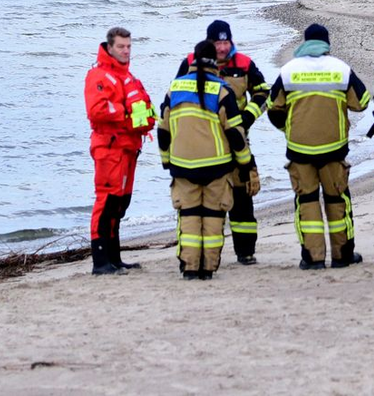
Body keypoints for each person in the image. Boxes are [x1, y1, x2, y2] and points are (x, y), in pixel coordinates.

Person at [268, 23, 370, 269]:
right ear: (327, 44)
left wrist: (288, 129)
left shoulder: (289, 70)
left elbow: (272, 108)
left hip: (299, 149)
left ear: (305, 42)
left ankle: (313, 259)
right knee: (337, 201)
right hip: (334, 148)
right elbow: (362, 102)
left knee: (307, 203)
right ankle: (342, 256)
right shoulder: (341, 69)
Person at [174, 19, 270, 265]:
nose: (222, 48)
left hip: (237, 136)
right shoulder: (189, 62)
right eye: (217, 43)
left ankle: (245, 251)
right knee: (200, 200)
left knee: (242, 195)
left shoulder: (244, 64)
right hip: (204, 140)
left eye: (226, 42)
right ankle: (195, 253)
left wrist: (247, 117)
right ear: (209, 43)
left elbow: (263, 92)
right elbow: (176, 97)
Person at [158, 39, 253, 280]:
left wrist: (167, 161)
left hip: (182, 166)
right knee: (213, 217)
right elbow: (236, 134)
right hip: (217, 167)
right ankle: (208, 268)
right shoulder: (222, 91)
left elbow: (163, 131)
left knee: (188, 218)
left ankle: (190, 268)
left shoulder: (174, 88)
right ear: (214, 62)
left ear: (193, 59)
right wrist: (245, 164)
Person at [83, 26, 156, 276]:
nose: (126, 51)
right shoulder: (99, 76)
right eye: (121, 47)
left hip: (129, 147)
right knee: (107, 201)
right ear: (110, 47)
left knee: (120, 204)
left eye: (128, 47)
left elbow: (144, 110)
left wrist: (143, 118)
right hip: (109, 147)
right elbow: (97, 110)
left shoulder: (128, 77)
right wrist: (126, 113)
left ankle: (114, 259)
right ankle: (100, 262)